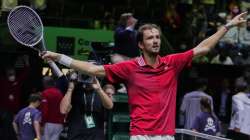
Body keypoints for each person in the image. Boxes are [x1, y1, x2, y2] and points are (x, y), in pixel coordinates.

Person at [42, 12, 247, 140]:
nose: (156, 41)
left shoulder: (172, 63)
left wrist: (227, 26)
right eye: (150, 38)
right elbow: (94, 70)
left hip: (166, 136)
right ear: (141, 44)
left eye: (157, 37)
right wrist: (59, 57)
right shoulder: (129, 67)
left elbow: (203, 48)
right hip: (140, 135)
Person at [60, 71, 114, 140]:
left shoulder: (100, 92)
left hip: (96, 137)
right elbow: (63, 110)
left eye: (90, 75)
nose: (87, 78)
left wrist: (99, 89)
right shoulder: (74, 91)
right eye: (84, 75)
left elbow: (109, 106)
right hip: (75, 136)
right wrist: (70, 89)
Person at [40, 76, 65, 140]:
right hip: (59, 124)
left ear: (44, 83)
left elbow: (44, 110)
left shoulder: (45, 93)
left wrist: (42, 124)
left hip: (48, 123)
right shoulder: (59, 92)